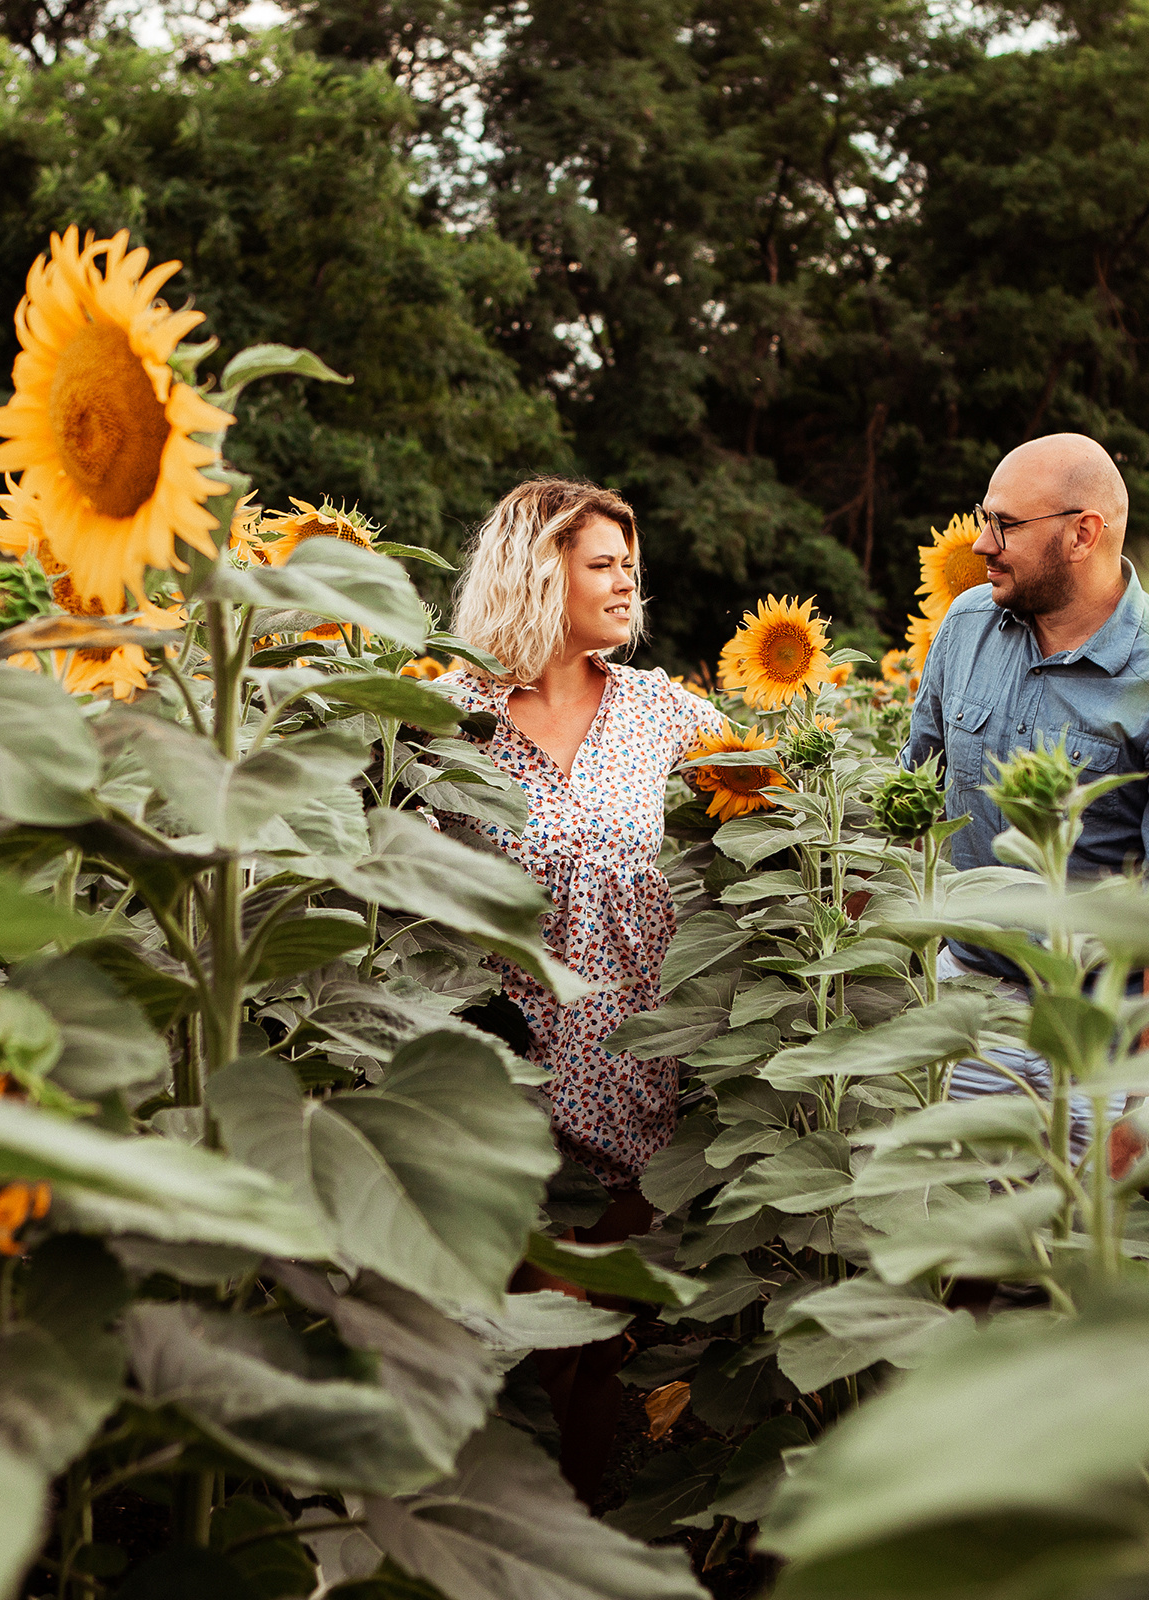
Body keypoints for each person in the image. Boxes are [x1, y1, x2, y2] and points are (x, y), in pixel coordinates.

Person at [433, 476, 723, 1502]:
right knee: (485, 1351)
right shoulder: (450, 725)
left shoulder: (666, 715)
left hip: (635, 1084)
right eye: (602, 563)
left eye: (628, 567)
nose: (626, 584)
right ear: (535, 572)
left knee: (592, 1344)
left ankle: (574, 1544)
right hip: (498, 1090)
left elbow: (762, 826)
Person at [904, 433, 1149, 1122]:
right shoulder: (966, 625)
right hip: (963, 1003)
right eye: (983, 515)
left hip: (1099, 1037)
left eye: (1006, 525)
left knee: (1074, 1228)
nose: (981, 543)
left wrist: (1143, 1114)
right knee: (944, 1216)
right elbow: (915, 793)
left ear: (1084, 533)